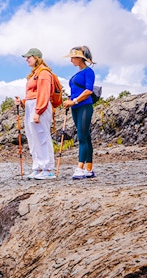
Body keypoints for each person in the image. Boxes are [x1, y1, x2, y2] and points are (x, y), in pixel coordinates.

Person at [14, 48, 56, 180]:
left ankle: (48, 168)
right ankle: (38, 167)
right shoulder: (35, 73)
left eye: (29, 57)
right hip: (31, 106)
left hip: (39, 106)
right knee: (33, 137)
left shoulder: (44, 73)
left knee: (42, 136)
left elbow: (44, 93)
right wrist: (22, 102)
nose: (27, 59)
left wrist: (38, 111)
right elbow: (33, 94)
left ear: (36, 57)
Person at [63, 46, 97, 179]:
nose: (71, 60)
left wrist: (74, 101)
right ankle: (89, 169)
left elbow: (88, 90)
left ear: (80, 58)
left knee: (82, 136)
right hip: (75, 107)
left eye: (73, 57)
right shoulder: (77, 74)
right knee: (86, 136)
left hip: (84, 106)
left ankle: (80, 168)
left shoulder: (88, 72)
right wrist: (70, 100)